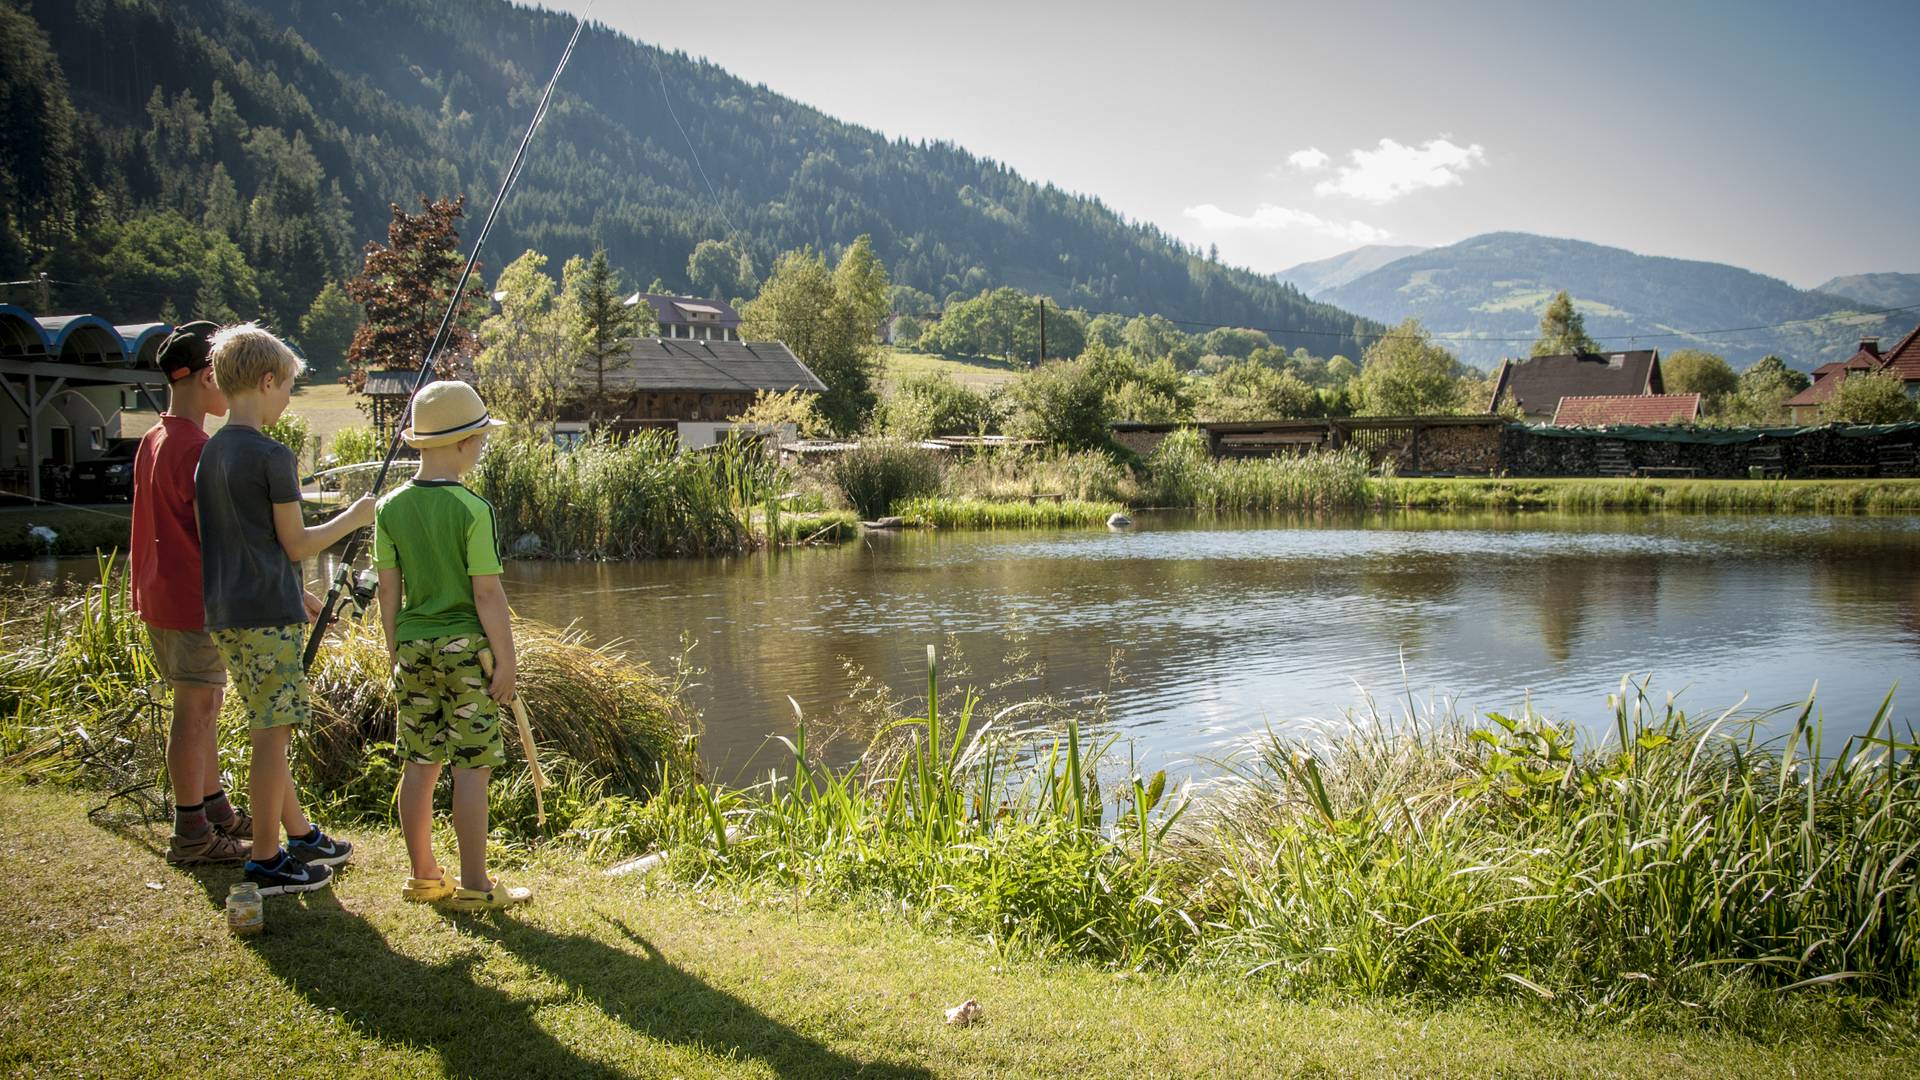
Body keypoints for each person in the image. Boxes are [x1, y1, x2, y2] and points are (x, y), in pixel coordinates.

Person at [195, 323, 374, 896]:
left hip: (227, 613)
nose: (287, 400)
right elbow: (296, 543)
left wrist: (294, 593)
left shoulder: (210, 455)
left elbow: (240, 541)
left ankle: (299, 835)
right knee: (273, 735)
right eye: (288, 388)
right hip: (263, 620)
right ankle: (267, 860)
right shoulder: (273, 455)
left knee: (268, 725)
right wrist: (355, 516)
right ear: (267, 381)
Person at [373, 379, 530, 911]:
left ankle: (423, 875)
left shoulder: (389, 508)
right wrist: (506, 660)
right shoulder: (471, 509)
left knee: (419, 763)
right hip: (467, 653)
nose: (482, 448)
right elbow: (487, 592)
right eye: (481, 440)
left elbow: (389, 591)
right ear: (463, 443)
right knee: (471, 767)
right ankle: (475, 885)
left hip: (412, 650)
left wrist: (395, 647)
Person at [129, 321, 250, 865]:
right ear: (208, 376)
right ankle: (192, 835)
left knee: (203, 704)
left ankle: (214, 811)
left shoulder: (154, 439)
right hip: (192, 603)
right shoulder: (199, 448)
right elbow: (218, 537)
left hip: (159, 599)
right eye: (227, 376)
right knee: (195, 712)